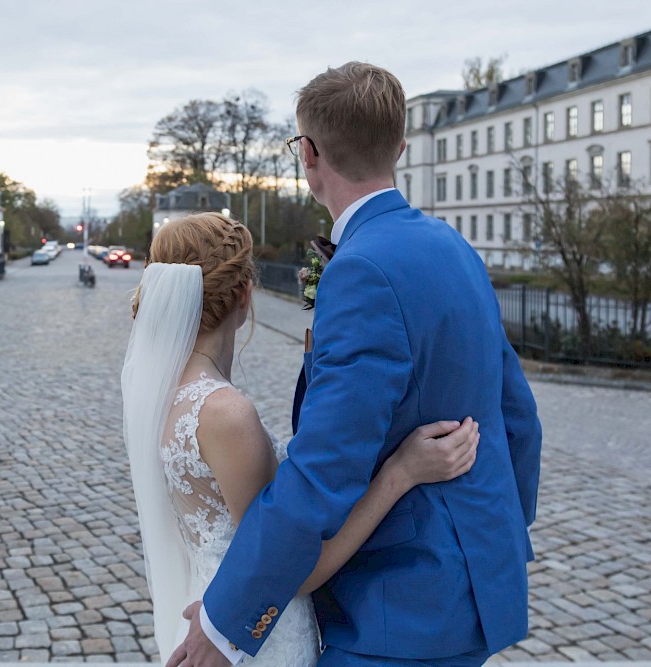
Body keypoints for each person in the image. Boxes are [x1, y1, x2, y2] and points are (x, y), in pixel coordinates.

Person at [168, 63, 542, 667]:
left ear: (308, 154)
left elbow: (324, 469)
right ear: (398, 146)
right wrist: (495, 537)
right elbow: (516, 415)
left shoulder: (361, 270)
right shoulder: (456, 247)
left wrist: (226, 622)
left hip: (399, 610)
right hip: (472, 592)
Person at [121, 212, 481, 666]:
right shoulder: (225, 413)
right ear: (246, 295)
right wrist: (402, 471)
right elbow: (298, 570)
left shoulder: (161, 396)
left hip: (208, 614)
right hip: (257, 636)